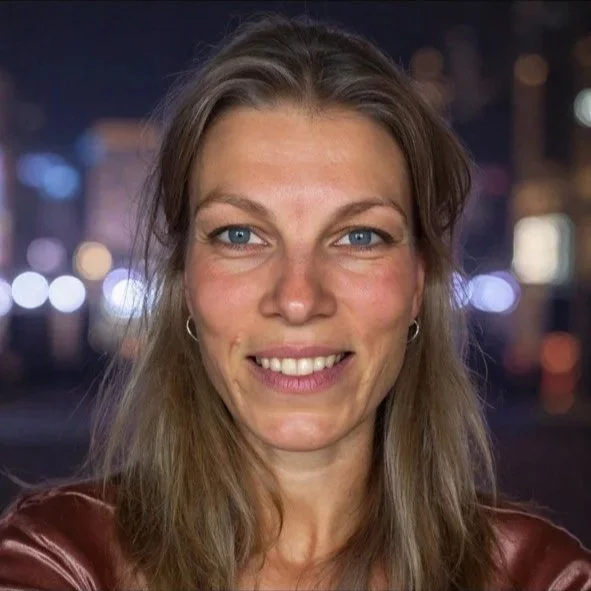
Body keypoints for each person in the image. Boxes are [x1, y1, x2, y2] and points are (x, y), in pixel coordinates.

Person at [0, 13, 590, 591]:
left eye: (359, 237)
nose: (299, 299)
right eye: (240, 235)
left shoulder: (538, 576)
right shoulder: (65, 562)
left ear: (418, 282)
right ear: (185, 281)